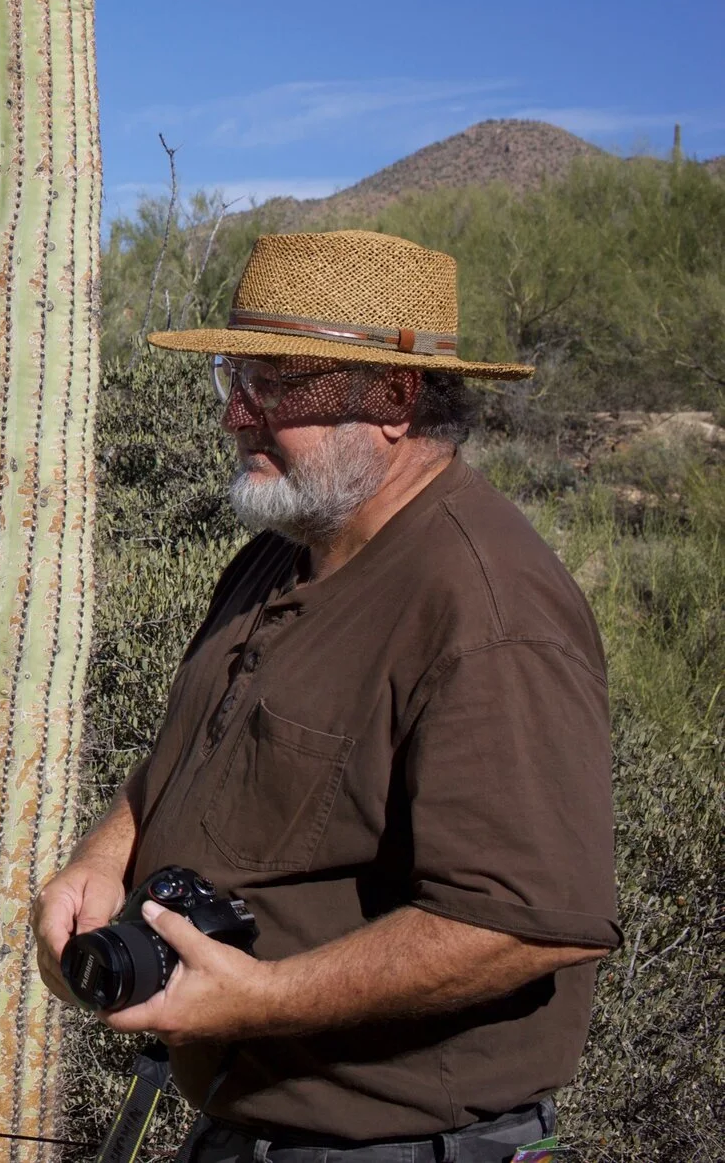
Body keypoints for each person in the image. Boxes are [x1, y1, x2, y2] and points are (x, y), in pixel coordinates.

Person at [35, 230, 618, 1162]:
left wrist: (264, 998)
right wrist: (102, 860)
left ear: (391, 397)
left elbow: (523, 920)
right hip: (246, 1129)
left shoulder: (485, 605)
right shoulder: (286, 548)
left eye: (276, 384)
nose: (235, 413)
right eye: (235, 376)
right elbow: (194, 755)